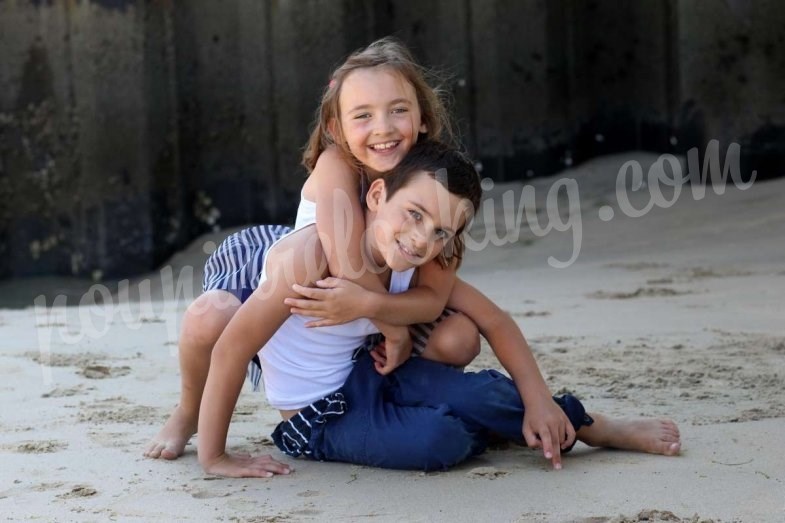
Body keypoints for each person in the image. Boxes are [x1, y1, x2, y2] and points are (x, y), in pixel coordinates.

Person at [196, 142, 681, 477]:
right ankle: (498, 428)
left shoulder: (414, 266)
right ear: (378, 194)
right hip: (320, 416)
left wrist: (536, 398)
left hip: (382, 374)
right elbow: (232, 350)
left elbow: (495, 321)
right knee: (437, 441)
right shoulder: (307, 260)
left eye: (442, 233)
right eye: (415, 215)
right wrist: (214, 455)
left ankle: (590, 426)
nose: (422, 240)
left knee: (485, 397)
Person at [145, 37, 480, 461]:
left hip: (360, 297)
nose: (384, 128)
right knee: (210, 318)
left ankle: (392, 391)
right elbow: (347, 265)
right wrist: (394, 327)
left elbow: (437, 290)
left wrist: (400, 317)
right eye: (364, 115)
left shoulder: (432, 181)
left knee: (460, 338)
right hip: (298, 270)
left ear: (423, 118)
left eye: (398, 110)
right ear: (336, 128)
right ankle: (189, 410)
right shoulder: (338, 163)